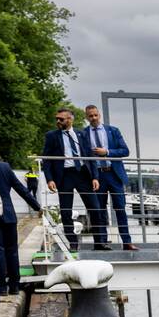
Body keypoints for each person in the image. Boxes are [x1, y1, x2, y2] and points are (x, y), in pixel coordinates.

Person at [0, 141, 41, 295]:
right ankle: (14, 286)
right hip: (8, 214)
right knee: (12, 250)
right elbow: (21, 189)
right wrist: (37, 206)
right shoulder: (4, 167)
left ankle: (1, 287)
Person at [42, 107, 106, 252]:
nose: (58, 121)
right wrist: (49, 179)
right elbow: (46, 159)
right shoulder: (51, 136)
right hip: (64, 175)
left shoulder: (82, 134)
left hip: (83, 174)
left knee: (95, 209)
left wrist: (95, 177)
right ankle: (73, 243)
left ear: (70, 119)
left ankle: (99, 242)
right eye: (57, 119)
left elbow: (90, 157)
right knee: (66, 211)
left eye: (61, 119)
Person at [80, 104, 137, 251]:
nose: (93, 118)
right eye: (90, 116)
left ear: (99, 115)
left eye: (95, 115)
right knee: (99, 210)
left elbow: (125, 151)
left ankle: (127, 242)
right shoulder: (83, 134)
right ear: (86, 117)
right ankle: (102, 242)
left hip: (114, 174)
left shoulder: (113, 130)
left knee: (120, 209)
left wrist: (107, 152)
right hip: (96, 176)